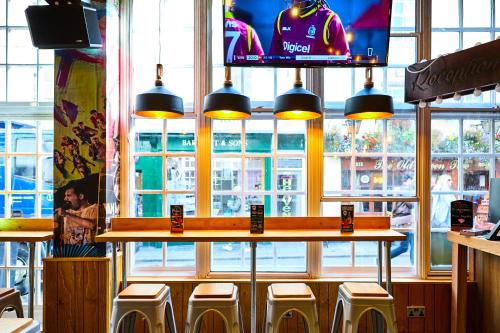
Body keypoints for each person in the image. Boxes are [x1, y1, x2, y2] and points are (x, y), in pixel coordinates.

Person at [269, 0, 350, 60]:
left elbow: (343, 60)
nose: (294, 2)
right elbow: (273, 57)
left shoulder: (330, 19)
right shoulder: (282, 17)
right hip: (289, 79)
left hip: (318, 80)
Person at [389, 175, 415, 264]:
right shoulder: (405, 190)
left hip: (401, 220)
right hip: (405, 221)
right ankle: (414, 264)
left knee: (406, 246)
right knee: (409, 245)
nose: (413, 182)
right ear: (408, 180)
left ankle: (383, 258)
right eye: (412, 180)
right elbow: (411, 204)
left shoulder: (398, 189)